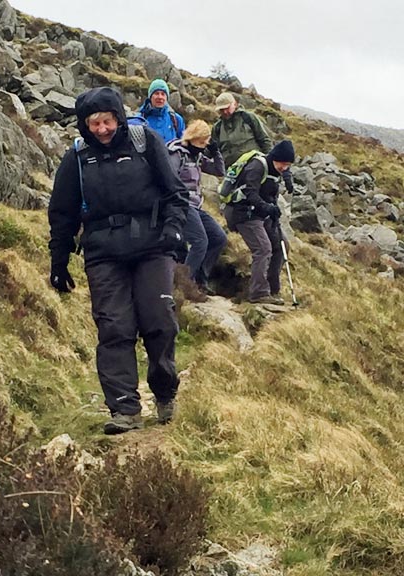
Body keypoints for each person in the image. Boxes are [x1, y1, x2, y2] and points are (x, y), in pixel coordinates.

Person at [48, 86, 189, 434]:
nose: (101, 130)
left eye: (107, 121)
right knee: (114, 327)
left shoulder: (145, 142)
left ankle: (165, 392)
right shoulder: (78, 158)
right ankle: (124, 409)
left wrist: (174, 230)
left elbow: (175, 193)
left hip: (153, 247)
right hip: (103, 254)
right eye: (93, 123)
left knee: (159, 321)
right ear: (84, 125)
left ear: (119, 118)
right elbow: (63, 213)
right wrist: (59, 260)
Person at [223, 140, 295, 304]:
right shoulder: (257, 166)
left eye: (288, 165)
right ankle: (258, 293)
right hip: (242, 212)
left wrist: (287, 178)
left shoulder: (277, 168)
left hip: (260, 213)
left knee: (282, 244)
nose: (284, 168)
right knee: (263, 249)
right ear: (275, 158)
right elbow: (250, 193)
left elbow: (270, 191)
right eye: (283, 164)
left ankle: (272, 289)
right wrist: (267, 208)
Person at [167, 119, 227, 294]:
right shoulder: (177, 153)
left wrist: (216, 152)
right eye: (201, 142)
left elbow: (219, 171)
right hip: (181, 204)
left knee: (218, 238)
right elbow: (170, 179)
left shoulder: (198, 155)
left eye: (206, 142)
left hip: (196, 205)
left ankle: (201, 280)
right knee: (200, 241)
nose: (203, 145)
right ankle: (184, 283)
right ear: (192, 138)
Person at [211, 92, 273, 167]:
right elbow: (213, 150)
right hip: (231, 171)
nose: (225, 112)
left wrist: (269, 162)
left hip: (253, 166)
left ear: (235, 104)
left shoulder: (248, 118)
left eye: (227, 108)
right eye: (221, 109)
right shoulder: (217, 127)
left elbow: (264, 140)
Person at [138, 78, 185, 143]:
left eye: (163, 94)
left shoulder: (176, 120)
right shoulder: (139, 119)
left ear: (166, 98)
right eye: (156, 93)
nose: (160, 97)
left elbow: (183, 144)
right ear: (150, 97)